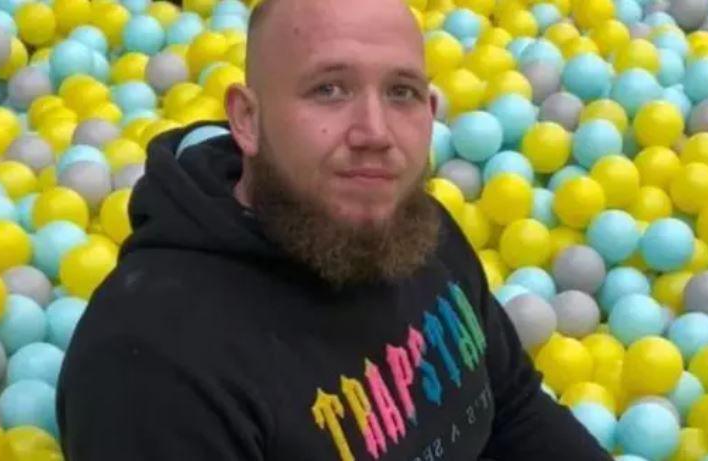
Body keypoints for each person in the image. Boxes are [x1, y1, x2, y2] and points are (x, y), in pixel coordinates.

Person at [57, 0, 613, 459]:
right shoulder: (154, 367)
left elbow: (513, 407)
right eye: (329, 89)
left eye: (401, 93)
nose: (375, 132)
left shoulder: (419, 229)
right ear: (247, 119)